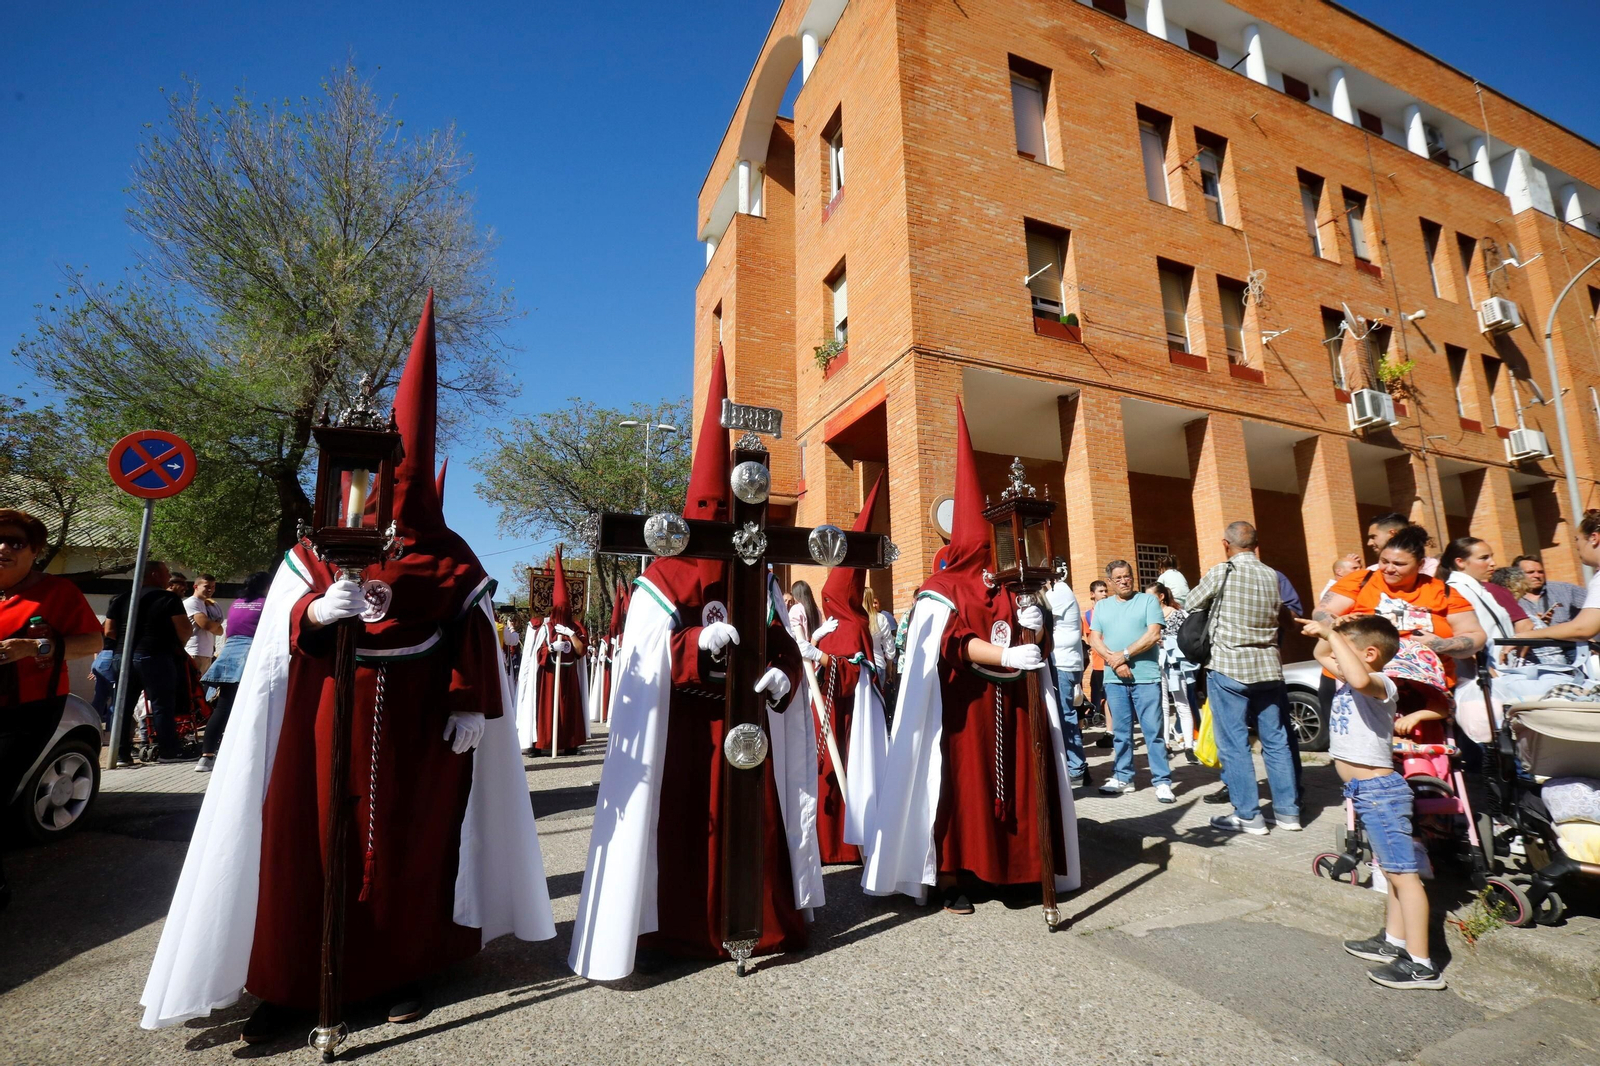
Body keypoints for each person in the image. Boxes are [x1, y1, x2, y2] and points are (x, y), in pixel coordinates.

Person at [140, 293, 555, 1039]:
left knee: (411, 847)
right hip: (322, 721)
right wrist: (311, 614)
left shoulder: (454, 556)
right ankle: (293, 980)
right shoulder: (316, 551)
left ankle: (403, 968)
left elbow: (475, 635)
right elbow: (276, 644)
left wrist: (471, 704)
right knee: (308, 843)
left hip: (422, 738)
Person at [568, 349, 814, 979]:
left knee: (751, 822)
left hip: (745, 721)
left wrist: (781, 671)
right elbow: (642, 658)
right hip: (684, 731)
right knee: (684, 825)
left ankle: (757, 924)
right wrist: (690, 648)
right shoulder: (665, 573)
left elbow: (780, 637)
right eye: (710, 512)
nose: (720, 526)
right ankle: (678, 930)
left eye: (725, 515)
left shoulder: (753, 568)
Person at [862, 402, 1080, 915]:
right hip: (962, 711)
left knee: (1023, 786)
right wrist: (1005, 651)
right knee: (961, 792)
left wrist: (1037, 625)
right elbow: (949, 643)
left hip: (1016, 705)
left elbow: (1036, 635)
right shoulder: (940, 586)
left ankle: (1019, 871)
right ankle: (956, 877)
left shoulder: (1013, 579)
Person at [1299, 613, 1448, 990]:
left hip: (1381, 794)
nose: (1336, 651)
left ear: (1368, 653)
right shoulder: (1350, 678)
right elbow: (1320, 654)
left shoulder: (1380, 683)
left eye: (1344, 647)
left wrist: (1334, 633)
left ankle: (1420, 964)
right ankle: (1393, 941)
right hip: (1366, 794)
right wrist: (1328, 629)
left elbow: (1362, 676)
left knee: (1404, 876)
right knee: (1392, 872)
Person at [0, 508, 103, 910]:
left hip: (28, 708)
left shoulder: (56, 592)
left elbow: (93, 641)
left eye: (15, 542)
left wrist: (35, 648)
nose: (4, 548)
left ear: (34, 552)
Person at [794, 471, 891, 866]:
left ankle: (843, 845)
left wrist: (820, 657)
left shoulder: (852, 625)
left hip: (846, 721)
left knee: (844, 775)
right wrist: (816, 645)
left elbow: (853, 675)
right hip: (827, 715)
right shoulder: (833, 623)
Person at [1186, 521, 1300, 834]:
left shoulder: (1222, 572)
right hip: (1267, 667)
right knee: (1275, 741)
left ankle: (1249, 816)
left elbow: (1190, 602)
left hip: (1229, 666)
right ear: (1256, 544)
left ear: (1226, 544)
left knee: (1234, 744)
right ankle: (1289, 813)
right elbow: (1283, 616)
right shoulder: (1271, 575)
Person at [1316, 524, 1486, 687]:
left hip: (1427, 689)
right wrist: (1337, 622)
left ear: (1420, 565)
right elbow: (1323, 611)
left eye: (1399, 564)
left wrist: (1440, 644)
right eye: (1384, 561)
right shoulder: (1360, 580)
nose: (1388, 569)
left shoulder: (1442, 591)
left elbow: (1475, 635)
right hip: (1363, 682)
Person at [1088, 560, 1173, 802]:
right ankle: (1123, 776)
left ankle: (1163, 781)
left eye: (1128, 576)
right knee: (1121, 732)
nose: (1125, 581)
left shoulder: (1147, 601)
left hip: (1146, 677)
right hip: (1114, 680)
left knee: (1153, 731)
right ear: (1111, 582)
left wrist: (1123, 655)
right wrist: (1116, 662)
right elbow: (1094, 639)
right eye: (1119, 578)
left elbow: (1153, 634)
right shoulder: (1102, 607)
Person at [106, 560, 194, 764]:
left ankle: (121, 754)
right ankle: (168, 752)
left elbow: (109, 630)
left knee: (123, 705)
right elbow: (184, 629)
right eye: (165, 574)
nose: (168, 578)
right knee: (162, 705)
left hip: (122, 656)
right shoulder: (168, 598)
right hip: (155, 655)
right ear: (154, 574)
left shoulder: (122, 598)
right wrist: (175, 644)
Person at [195, 570, 271, 773]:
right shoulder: (268, 604)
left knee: (223, 708)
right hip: (251, 655)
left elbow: (229, 632)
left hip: (229, 656)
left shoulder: (236, 603)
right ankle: (245, 756)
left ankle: (206, 757)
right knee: (254, 707)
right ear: (266, 586)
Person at [522, 546, 589, 757]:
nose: (563, 613)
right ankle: (540, 743)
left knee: (569, 710)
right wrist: (550, 647)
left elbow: (581, 651)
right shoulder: (543, 628)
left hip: (569, 675)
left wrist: (571, 634)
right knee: (546, 710)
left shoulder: (577, 627)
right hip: (547, 677)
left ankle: (570, 743)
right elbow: (535, 655)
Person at [1438, 538, 1532, 669]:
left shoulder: (1479, 588)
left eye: (1491, 557)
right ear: (1460, 562)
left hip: (1504, 671)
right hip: (1486, 674)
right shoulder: (1457, 591)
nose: (1493, 563)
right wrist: (1486, 670)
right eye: (1484, 558)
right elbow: (1462, 635)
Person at [1045, 559, 1089, 787]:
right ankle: (1076, 765)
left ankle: (1076, 767)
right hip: (1066, 662)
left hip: (1062, 663)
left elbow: (1041, 613)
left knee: (1065, 715)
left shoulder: (1059, 592)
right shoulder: (1062, 591)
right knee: (1066, 713)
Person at [1146, 581, 1197, 753]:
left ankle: (1189, 744)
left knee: (1181, 701)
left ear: (1161, 597)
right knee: (1162, 703)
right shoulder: (1150, 617)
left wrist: (1165, 641)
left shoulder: (1176, 614)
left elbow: (1185, 638)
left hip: (1175, 663)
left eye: (1150, 597)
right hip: (1157, 662)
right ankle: (1165, 743)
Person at [1367, 513, 1438, 576]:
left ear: (1392, 533)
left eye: (1373, 537)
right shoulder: (1370, 572)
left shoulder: (1433, 569)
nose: (1369, 543)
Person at [184, 574, 225, 676]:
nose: (210, 590)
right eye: (206, 586)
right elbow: (207, 626)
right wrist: (216, 623)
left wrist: (214, 624)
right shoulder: (192, 603)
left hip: (207, 654)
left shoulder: (210, 605)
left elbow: (220, 631)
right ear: (196, 587)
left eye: (213, 587)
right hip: (194, 652)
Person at [1084, 579, 1110, 743]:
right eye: (1101, 591)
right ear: (1092, 595)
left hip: (1114, 659)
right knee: (1098, 690)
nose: (1105, 594)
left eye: (1106, 590)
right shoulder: (1088, 615)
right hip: (1099, 661)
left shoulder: (1113, 611)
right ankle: (1098, 715)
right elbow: (1089, 640)